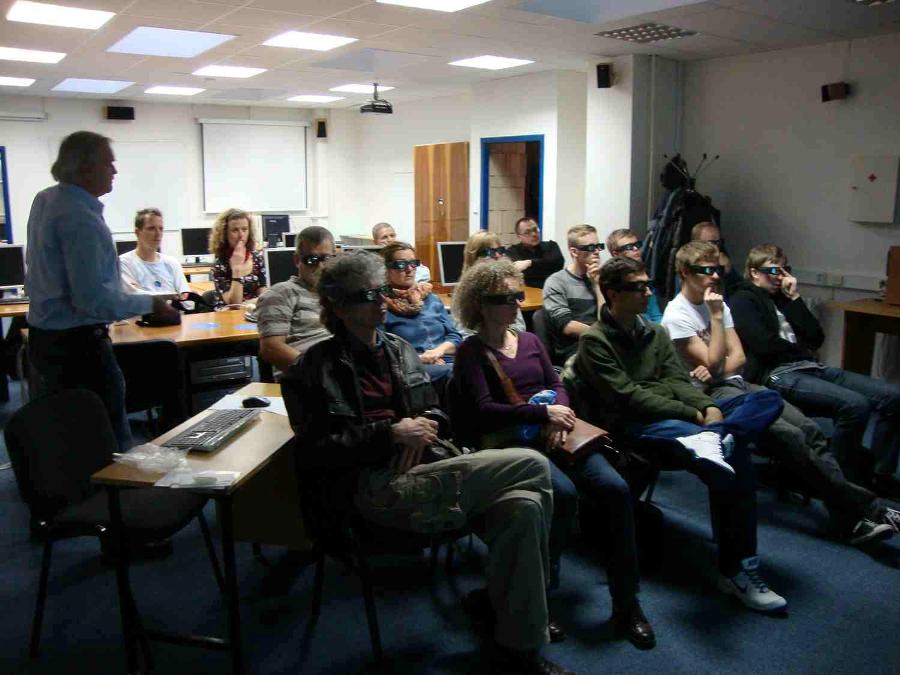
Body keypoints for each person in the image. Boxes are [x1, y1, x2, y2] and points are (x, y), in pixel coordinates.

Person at [283, 251, 573, 675]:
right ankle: (520, 607)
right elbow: (314, 451)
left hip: (428, 466)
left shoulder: (399, 350)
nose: (383, 300)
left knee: (525, 506)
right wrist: (390, 433)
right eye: (369, 295)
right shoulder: (311, 368)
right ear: (340, 307)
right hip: (373, 486)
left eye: (383, 290)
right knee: (531, 465)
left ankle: (519, 646)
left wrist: (425, 424)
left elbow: (437, 411)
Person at [563, 256, 789, 613]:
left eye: (648, 285)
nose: (647, 293)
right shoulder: (595, 340)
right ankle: (736, 570)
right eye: (638, 287)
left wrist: (708, 408)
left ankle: (720, 436)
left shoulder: (655, 332)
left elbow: (676, 379)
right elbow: (628, 397)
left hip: (679, 416)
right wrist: (693, 413)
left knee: (765, 399)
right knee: (734, 459)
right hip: (638, 426)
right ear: (612, 293)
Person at [452, 259, 655, 649]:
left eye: (516, 295)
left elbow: (557, 383)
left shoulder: (529, 341)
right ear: (479, 304)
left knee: (615, 489)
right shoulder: (471, 352)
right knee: (561, 495)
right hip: (512, 441)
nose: (515, 303)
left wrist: (558, 412)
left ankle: (627, 602)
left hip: (557, 431)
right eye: (504, 298)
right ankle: (539, 595)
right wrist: (542, 414)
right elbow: (483, 410)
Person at [663, 241, 898, 545]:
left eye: (717, 269)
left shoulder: (720, 303)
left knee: (810, 431)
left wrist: (717, 358)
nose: (715, 276)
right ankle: (871, 510)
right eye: (706, 270)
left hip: (741, 383)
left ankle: (847, 519)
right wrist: (717, 320)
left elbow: (738, 358)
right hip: (711, 396)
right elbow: (714, 363)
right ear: (685, 272)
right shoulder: (678, 315)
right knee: (791, 436)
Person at [25, 131, 178, 451]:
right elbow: (92, 301)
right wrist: (151, 304)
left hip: (45, 339)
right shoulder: (81, 219)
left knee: (66, 437)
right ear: (85, 167)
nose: (115, 170)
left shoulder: (46, 199)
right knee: (105, 440)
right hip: (78, 347)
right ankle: (113, 484)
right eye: (109, 163)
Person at [730, 243, 900, 499]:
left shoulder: (784, 299)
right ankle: (840, 484)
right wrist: (800, 350)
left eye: (785, 270)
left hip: (809, 366)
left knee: (893, 396)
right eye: (774, 271)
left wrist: (795, 299)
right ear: (754, 272)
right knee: (855, 405)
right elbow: (763, 345)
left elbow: (816, 337)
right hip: (776, 373)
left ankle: (879, 474)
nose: (781, 277)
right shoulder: (743, 299)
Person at [256, 225, 334, 380]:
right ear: (297, 260)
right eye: (312, 260)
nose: (320, 266)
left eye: (326, 259)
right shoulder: (281, 293)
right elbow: (271, 349)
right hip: (307, 380)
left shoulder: (338, 293)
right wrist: (323, 375)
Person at [381, 242, 461, 385]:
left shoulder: (431, 298)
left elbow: (455, 337)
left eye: (413, 263)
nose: (409, 269)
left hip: (446, 359)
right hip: (411, 367)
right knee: (456, 374)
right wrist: (422, 358)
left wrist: (437, 352)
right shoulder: (382, 306)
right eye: (401, 264)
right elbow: (384, 354)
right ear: (386, 269)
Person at [542, 224, 604, 363]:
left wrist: (597, 285)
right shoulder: (556, 282)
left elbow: (605, 319)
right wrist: (602, 336)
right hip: (575, 348)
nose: (596, 252)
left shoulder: (601, 279)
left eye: (598, 246)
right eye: (590, 248)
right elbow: (568, 327)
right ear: (574, 252)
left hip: (601, 344)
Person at [460, 231, 526, 333]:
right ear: (475, 257)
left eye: (500, 250)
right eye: (491, 252)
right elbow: (464, 333)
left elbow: (520, 327)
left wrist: (504, 336)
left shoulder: (508, 285)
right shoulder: (466, 290)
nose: (498, 255)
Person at [119, 208, 190, 296]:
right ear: (137, 232)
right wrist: (174, 295)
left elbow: (186, 299)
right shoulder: (124, 263)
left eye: (161, 228)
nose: (158, 233)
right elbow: (131, 297)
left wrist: (143, 293)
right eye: (151, 228)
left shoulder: (172, 263)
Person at [210, 208, 267, 305]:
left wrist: (246, 304)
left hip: (253, 310)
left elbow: (264, 296)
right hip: (228, 313)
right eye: (235, 230)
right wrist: (237, 269)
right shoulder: (220, 263)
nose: (241, 235)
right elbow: (234, 304)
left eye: (244, 229)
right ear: (225, 234)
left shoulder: (257, 258)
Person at [606, 228, 662, 322]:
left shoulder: (644, 275)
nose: (636, 249)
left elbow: (656, 315)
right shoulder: (610, 280)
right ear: (616, 254)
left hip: (649, 327)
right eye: (629, 247)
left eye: (637, 245)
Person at [506, 217, 564, 289]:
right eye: (527, 232)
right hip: (526, 292)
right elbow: (516, 272)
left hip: (552, 290)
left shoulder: (551, 246)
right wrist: (544, 266)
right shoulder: (512, 251)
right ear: (519, 237)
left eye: (535, 230)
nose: (534, 234)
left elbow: (557, 264)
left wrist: (530, 263)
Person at [691, 221, 742, 298]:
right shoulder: (689, 268)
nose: (716, 247)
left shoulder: (722, 262)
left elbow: (741, 291)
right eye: (711, 243)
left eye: (719, 242)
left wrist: (729, 273)